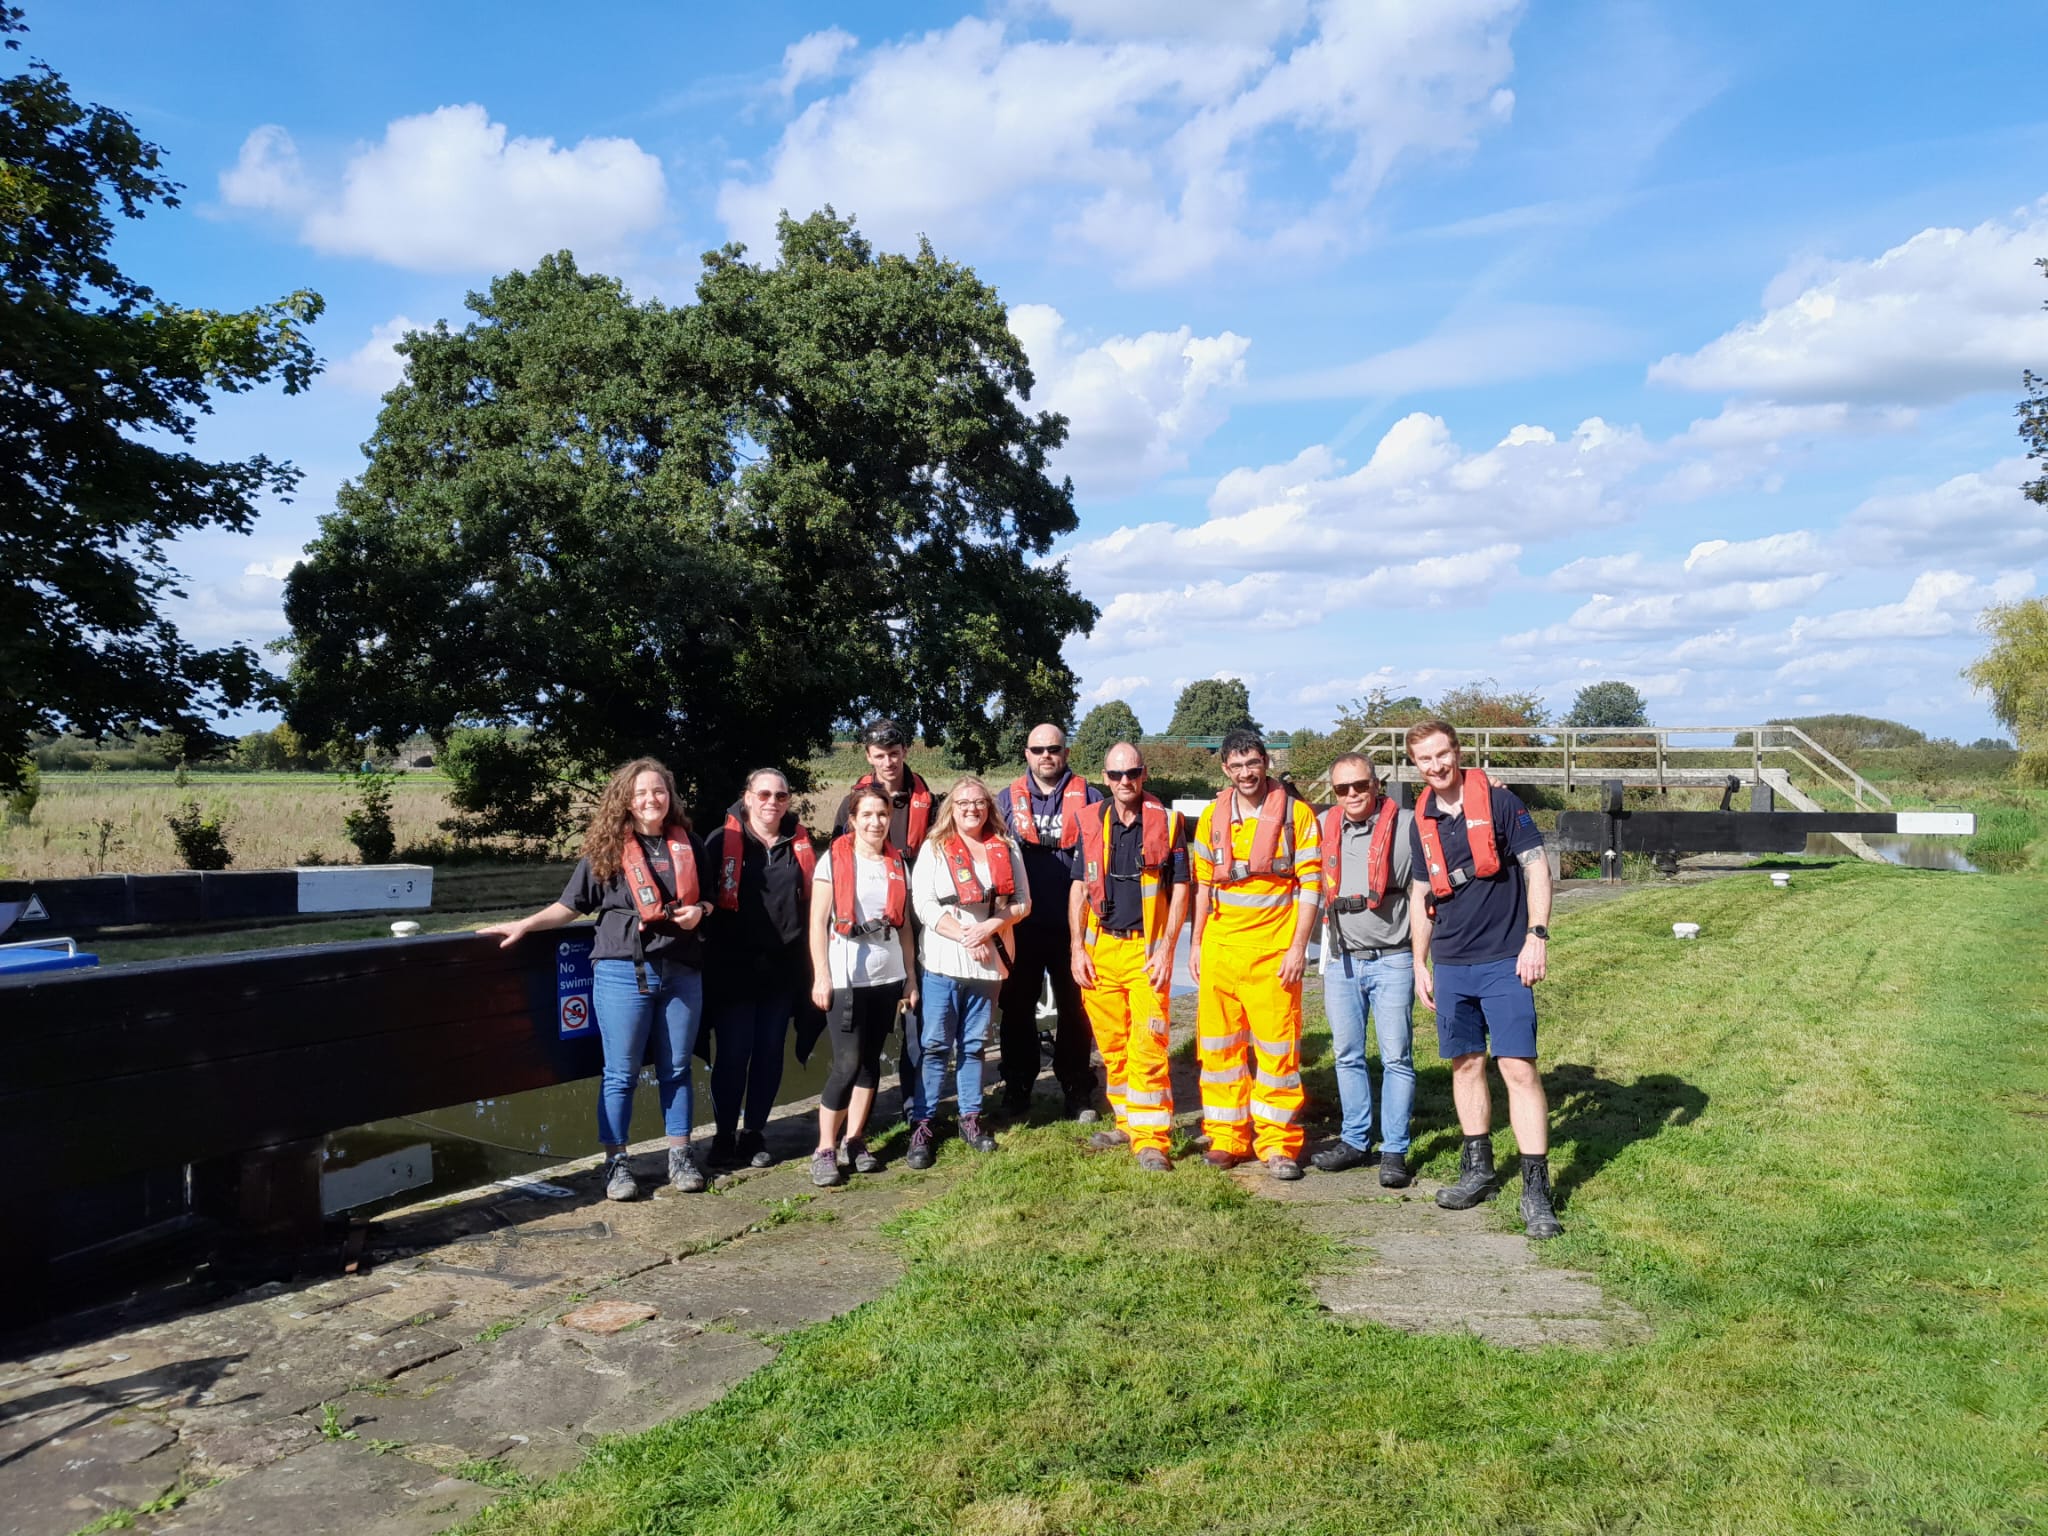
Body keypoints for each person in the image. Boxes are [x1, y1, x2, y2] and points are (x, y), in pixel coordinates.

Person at [479, 758, 711, 1200]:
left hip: (682, 971)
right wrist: (525, 924)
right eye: (641, 792)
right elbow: (571, 905)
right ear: (625, 798)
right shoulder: (607, 849)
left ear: (670, 796)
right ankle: (616, 1164)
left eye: (658, 791)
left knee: (677, 1069)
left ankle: (680, 1156)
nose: (650, 800)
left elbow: (712, 902)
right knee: (620, 1073)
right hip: (622, 971)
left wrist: (700, 911)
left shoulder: (690, 844)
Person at [1405, 719, 1562, 1239]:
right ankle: (1479, 1170)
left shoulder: (1500, 802)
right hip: (1450, 961)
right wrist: (1418, 962)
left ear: (1458, 751)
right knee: (1465, 1065)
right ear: (1415, 765)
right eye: (1425, 759)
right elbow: (1421, 893)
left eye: (1443, 754)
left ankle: (1536, 1187)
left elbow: (1537, 869)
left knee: (1518, 1068)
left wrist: (1536, 936)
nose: (1437, 766)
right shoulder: (1421, 818)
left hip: (1504, 958)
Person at [1189, 730, 1322, 1180]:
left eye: (1253, 763)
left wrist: (1299, 947)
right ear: (1225, 769)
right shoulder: (1213, 817)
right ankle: (1227, 1138)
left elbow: (1311, 886)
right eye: (1237, 766)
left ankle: (1278, 1144)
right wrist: (1196, 945)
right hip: (1221, 951)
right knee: (1219, 1051)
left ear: (1265, 762)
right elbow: (1204, 885)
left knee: (1277, 1054)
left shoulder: (1297, 816)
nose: (1246, 773)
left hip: (1274, 955)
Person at [1068, 743, 1189, 1171]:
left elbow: (1180, 889)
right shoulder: (1091, 821)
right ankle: (1126, 1120)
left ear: (1144, 774)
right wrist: (1076, 948)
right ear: (1105, 777)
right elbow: (1080, 887)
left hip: (1146, 949)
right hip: (1101, 947)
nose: (1125, 782)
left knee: (1148, 1043)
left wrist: (1167, 948)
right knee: (1113, 1045)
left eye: (1132, 773)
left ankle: (1152, 1139)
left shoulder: (1168, 823)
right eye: (1117, 775)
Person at [907, 775, 1031, 1168]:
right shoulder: (934, 848)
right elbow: (924, 905)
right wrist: (966, 934)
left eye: (978, 803)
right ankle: (923, 1124)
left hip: (989, 961)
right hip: (945, 961)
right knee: (936, 1046)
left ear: (989, 807)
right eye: (963, 804)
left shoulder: (1006, 846)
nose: (971, 809)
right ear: (951, 808)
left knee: (975, 1045)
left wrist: (988, 928)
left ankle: (970, 1118)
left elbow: (1023, 902)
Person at [1309, 755, 1418, 1186]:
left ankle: (1394, 1149)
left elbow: (1457, 815)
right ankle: (1355, 1140)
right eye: (1342, 789)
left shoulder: (1408, 825)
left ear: (1377, 785)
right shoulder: (1321, 826)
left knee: (1397, 1057)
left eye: (1360, 785)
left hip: (1394, 958)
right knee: (1347, 1054)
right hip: (1342, 960)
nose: (1352, 795)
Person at [832, 718, 944, 1130]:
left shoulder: (927, 801)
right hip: (864, 935)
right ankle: (851, 1122)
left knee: (916, 1021)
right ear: (868, 756)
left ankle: (916, 1112)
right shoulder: (852, 804)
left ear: (905, 752)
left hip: (916, 925)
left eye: (894, 754)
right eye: (879, 756)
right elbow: (837, 866)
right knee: (858, 1034)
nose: (888, 763)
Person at [808, 782, 920, 1187]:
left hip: (886, 976)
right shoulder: (831, 861)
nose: (876, 821)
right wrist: (821, 974)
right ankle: (825, 1147)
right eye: (867, 815)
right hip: (846, 977)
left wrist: (910, 976)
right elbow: (818, 923)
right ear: (852, 820)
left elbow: (904, 927)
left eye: (883, 814)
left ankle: (854, 1140)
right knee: (846, 1063)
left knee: (871, 1061)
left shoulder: (897, 863)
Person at [703, 768, 815, 1170]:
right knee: (733, 1055)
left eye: (781, 796)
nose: (772, 802)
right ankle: (722, 1135)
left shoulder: (797, 843)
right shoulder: (720, 842)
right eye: (764, 794)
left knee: (769, 1053)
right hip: (734, 969)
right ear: (747, 797)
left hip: (782, 970)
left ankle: (754, 1133)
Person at [994, 723, 1104, 1120]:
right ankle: (1018, 1086)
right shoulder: (1005, 800)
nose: (1046, 755)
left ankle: (1077, 1087)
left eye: (1053, 748)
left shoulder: (1092, 798)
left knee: (1077, 1009)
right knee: (1017, 1009)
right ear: (1026, 754)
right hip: (1020, 926)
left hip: (1073, 925)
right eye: (1038, 749)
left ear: (1066, 753)